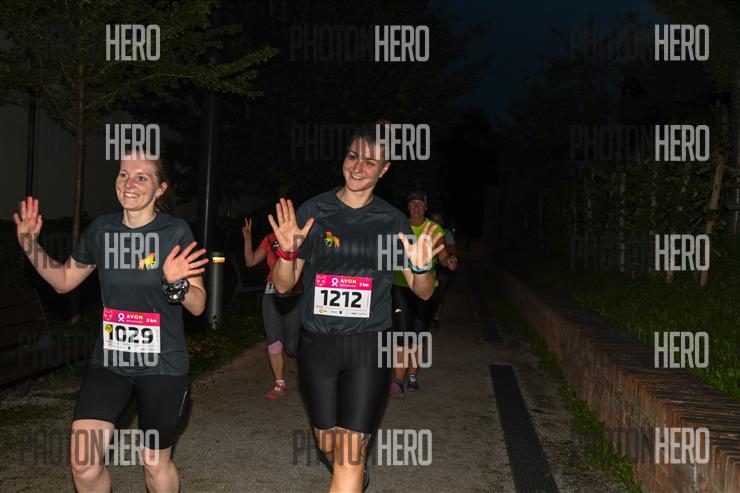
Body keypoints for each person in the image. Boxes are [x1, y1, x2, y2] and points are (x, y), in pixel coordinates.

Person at [13, 151, 207, 493]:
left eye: (141, 177)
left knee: (154, 462)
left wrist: (176, 284)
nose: (129, 183)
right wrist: (29, 244)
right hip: (110, 363)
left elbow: (198, 304)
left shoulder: (174, 231)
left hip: (162, 366)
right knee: (83, 462)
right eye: (123, 174)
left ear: (160, 188)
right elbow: (63, 281)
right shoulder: (102, 229)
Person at [267, 122, 443, 493]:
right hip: (317, 345)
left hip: (368, 346)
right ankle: (356, 476)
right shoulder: (315, 211)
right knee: (328, 444)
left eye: (370, 162)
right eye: (352, 157)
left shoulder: (392, 221)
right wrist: (287, 253)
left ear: (384, 168)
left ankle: (351, 473)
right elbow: (283, 285)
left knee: (347, 458)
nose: (358, 168)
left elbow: (424, 293)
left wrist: (422, 267)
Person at [389, 193, 458, 397]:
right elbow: (386, 253)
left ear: (426, 207)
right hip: (400, 285)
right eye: (413, 204)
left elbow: (442, 255)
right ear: (408, 207)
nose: (417, 207)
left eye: (420, 203)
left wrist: (449, 262)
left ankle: (412, 376)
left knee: (417, 334)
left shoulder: (434, 229)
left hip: (426, 289)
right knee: (401, 333)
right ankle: (398, 380)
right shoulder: (398, 226)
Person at [242, 217, 303, 399]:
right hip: (271, 293)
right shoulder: (269, 239)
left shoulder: (302, 238)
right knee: (273, 341)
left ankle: (305, 369)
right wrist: (247, 239)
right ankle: (279, 384)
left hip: (296, 295)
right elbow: (250, 261)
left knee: (292, 347)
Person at [430, 211, 457, 330]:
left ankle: (435, 317)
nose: (436, 222)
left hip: (442, 269)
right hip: (428, 269)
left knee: (439, 294)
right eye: (433, 220)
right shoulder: (426, 233)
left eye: (438, 220)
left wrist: (445, 254)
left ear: (442, 222)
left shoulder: (446, 234)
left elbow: (453, 251)